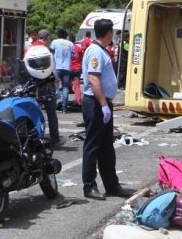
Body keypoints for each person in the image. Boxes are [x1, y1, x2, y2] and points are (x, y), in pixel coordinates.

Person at [81, 19, 132, 200]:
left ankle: (111, 185)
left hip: (102, 103)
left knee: (106, 148)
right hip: (95, 104)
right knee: (93, 146)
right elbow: (94, 79)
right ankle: (89, 186)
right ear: (109, 33)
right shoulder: (95, 51)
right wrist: (103, 105)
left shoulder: (100, 50)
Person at [51, 29, 74, 113]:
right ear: (66, 35)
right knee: (65, 88)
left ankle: (53, 106)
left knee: (55, 86)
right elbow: (72, 55)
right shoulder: (70, 44)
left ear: (58, 35)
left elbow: (51, 53)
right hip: (67, 67)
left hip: (57, 67)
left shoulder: (55, 42)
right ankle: (64, 108)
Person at [70, 35, 83, 105]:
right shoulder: (78, 48)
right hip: (77, 68)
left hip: (69, 67)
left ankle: (64, 103)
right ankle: (78, 100)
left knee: (65, 86)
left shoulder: (68, 48)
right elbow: (81, 57)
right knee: (77, 85)